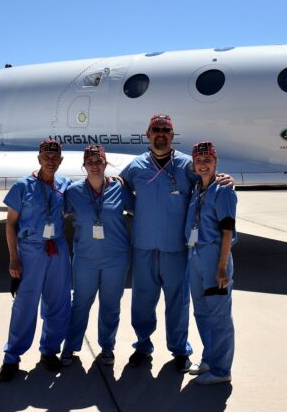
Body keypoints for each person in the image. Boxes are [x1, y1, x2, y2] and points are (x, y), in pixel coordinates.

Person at [120, 114, 232, 372]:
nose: (161, 134)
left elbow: (208, 182)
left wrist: (225, 179)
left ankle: (180, 350)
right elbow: (121, 186)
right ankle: (142, 345)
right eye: (156, 129)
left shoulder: (186, 166)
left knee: (178, 303)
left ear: (172, 135)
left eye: (166, 130)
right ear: (148, 134)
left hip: (176, 249)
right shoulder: (135, 166)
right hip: (144, 247)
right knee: (142, 300)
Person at [0, 140, 72, 382]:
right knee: (24, 304)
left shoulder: (65, 185)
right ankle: (12, 356)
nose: (50, 161)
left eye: (55, 157)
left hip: (57, 249)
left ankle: (49, 350)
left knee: (58, 302)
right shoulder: (23, 186)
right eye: (46, 156)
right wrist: (13, 258)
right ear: (38, 159)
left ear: (60, 161)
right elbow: (10, 223)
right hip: (30, 250)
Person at [60, 145, 134, 366]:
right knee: (80, 303)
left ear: (105, 164)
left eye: (98, 161)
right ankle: (70, 347)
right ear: (84, 165)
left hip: (116, 258)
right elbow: (55, 211)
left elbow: (141, 210)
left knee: (111, 305)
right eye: (90, 162)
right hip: (85, 259)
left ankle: (107, 347)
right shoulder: (73, 192)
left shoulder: (120, 189)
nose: (94, 165)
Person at [185, 141, 236, 385]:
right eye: (199, 161)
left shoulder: (223, 190)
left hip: (215, 256)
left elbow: (227, 230)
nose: (203, 165)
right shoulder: (197, 188)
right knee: (202, 311)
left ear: (216, 163)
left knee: (219, 316)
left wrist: (222, 266)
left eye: (208, 161)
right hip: (195, 256)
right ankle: (209, 357)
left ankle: (222, 368)